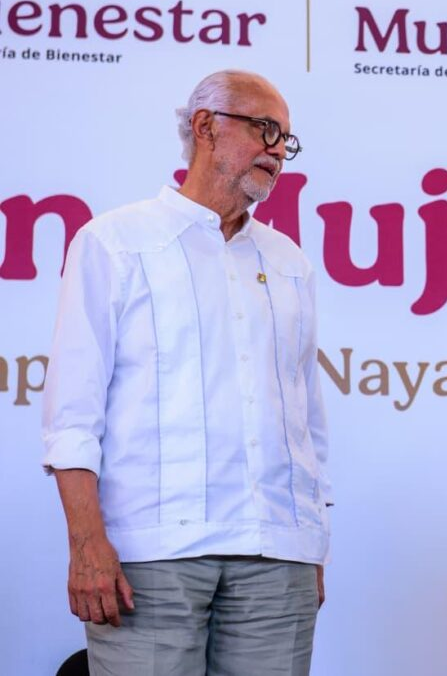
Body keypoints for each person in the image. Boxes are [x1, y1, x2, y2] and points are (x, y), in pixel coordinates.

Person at [41, 70, 331, 675]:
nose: (278, 150)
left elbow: (307, 422)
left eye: (286, 139)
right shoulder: (116, 242)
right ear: (205, 127)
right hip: (152, 553)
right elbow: (72, 416)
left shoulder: (290, 262)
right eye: (265, 129)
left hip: (277, 557)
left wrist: (311, 543)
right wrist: (86, 544)